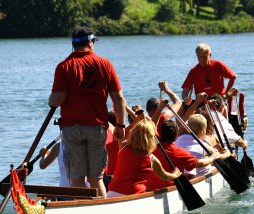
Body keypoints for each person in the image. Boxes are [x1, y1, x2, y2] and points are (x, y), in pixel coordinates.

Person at [48, 26, 126, 198]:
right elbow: (119, 99)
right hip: (97, 128)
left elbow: (57, 99)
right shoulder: (105, 64)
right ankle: (102, 212)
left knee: (76, 178)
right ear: (90, 43)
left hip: (72, 129)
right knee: (96, 178)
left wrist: (51, 100)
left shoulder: (64, 66)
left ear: (73, 45)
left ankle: (82, 212)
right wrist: (120, 125)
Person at [107, 117, 182, 197]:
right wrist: (176, 174)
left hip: (111, 192)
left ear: (133, 133)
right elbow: (165, 176)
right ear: (151, 138)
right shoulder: (151, 158)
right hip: (133, 195)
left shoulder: (123, 146)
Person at [146, 120, 221, 191]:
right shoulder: (180, 153)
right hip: (170, 188)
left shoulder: (152, 143)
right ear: (176, 136)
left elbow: (150, 123)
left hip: (149, 187)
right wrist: (212, 158)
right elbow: (199, 163)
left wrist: (159, 109)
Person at [181, 43, 237, 116]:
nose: (201, 60)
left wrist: (225, 93)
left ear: (210, 55)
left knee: (222, 108)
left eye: (204, 57)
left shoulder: (218, 65)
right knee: (181, 108)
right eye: (199, 57)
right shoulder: (194, 71)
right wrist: (186, 99)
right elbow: (185, 91)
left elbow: (233, 77)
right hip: (202, 101)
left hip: (218, 98)